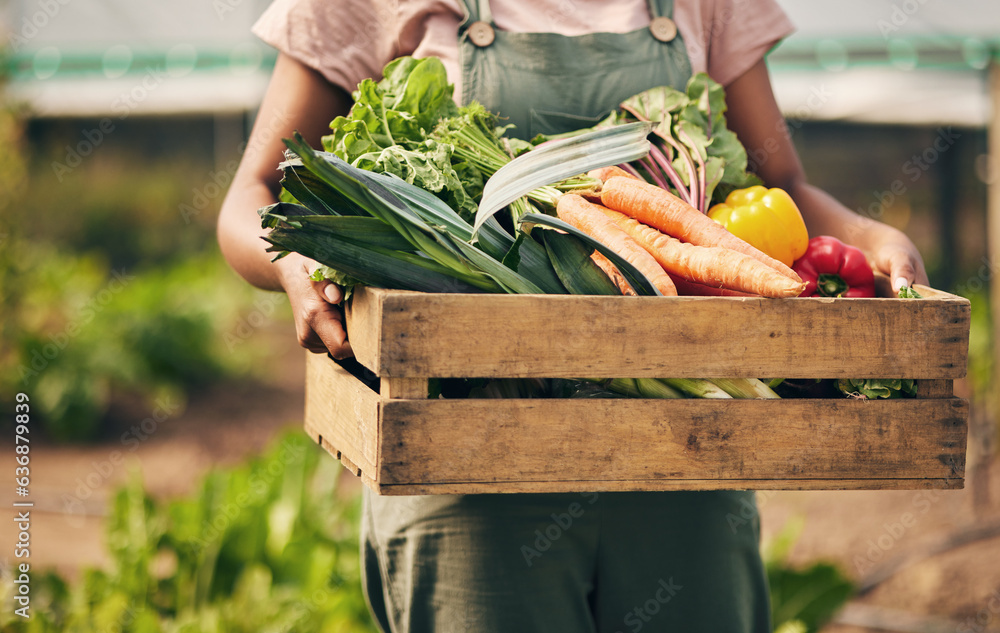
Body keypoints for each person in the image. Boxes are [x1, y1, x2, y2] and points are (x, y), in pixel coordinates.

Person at [218, 1, 930, 631]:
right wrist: (294, 266)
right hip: (466, 469)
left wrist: (871, 239)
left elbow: (783, 185)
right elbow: (251, 193)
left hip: (687, 460)